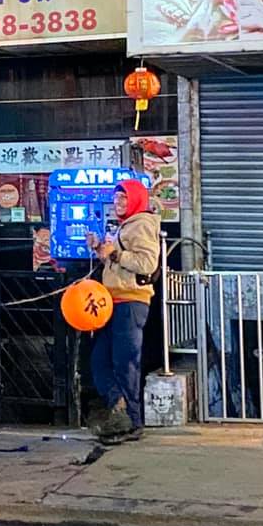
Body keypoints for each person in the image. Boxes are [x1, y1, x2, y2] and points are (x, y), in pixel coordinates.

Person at [88, 179, 160, 445]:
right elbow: (118, 260)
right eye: (116, 199)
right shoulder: (126, 225)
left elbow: (147, 262)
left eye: (123, 199)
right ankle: (119, 409)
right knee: (101, 361)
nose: (118, 204)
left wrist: (115, 254)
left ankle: (131, 420)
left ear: (136, 200)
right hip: (113, 302)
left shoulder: (141, 224)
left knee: (125, 362)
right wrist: (101, 250)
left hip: (130, 303)